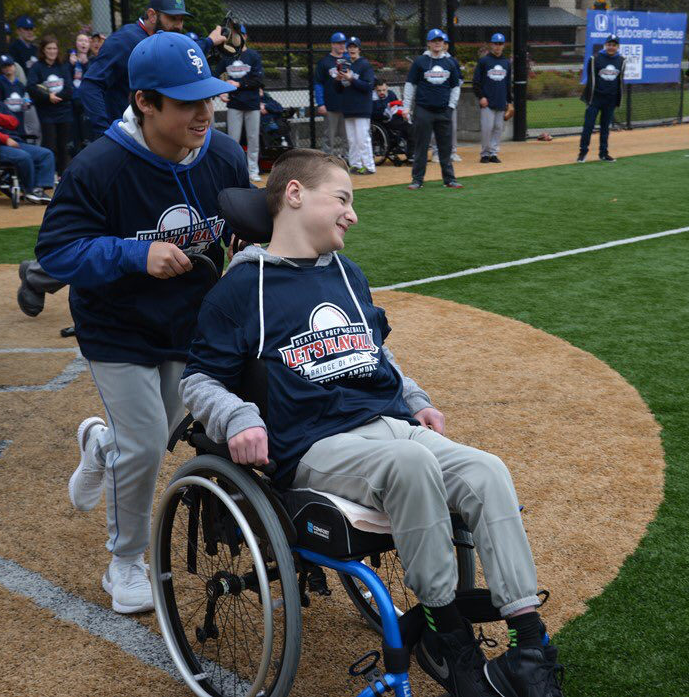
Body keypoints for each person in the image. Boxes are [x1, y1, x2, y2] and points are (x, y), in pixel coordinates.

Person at [181, 148, 565, 697]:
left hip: (388, 425)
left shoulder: (347, 273)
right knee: (409, 463)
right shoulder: (243, 289)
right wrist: (239, 416)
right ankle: (448, 640)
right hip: (316, 444)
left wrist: (415, 399)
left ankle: (529, 648)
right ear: (294, 196)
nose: (352, 214)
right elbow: (197, 381)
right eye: (342, 198)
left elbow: (373, 357)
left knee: (487, 471)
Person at [35, 32, 250, 614]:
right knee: (150, 442)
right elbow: (55, 253)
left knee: (157, 435)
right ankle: (124, 561)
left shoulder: (224, 155)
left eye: (208, 98)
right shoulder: (100, 165)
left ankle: (101, 446)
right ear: (145, 102)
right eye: (186, 102)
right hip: (117, 325)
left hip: (190, 322)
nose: (204, 112)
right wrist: (135, 255)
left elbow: (243, 225)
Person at [80, 0, 227, 136]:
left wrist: (209, 41)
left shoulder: (160, 41)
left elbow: (177, 52)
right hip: (126, 132)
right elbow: (91, 85)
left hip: (149, 132)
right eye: (172, 18)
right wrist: (103, 132)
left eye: (181, 19)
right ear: (152, 15)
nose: (178, 25)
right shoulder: (124, 40)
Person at [0, 77, 54, 204]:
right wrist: (5, 139)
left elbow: (14, 123)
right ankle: (30, 190)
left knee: (46, 154)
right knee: (23, 157)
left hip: (14, 142)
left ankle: (39, 188)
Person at [404, 29, 463, 190]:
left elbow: (455, 87)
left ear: (444, 43)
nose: (437, 43)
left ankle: (449, 179)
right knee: (421, 146)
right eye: (434, 40)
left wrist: (451, 107)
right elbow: (410, 85)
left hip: (444, 111)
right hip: (423, 110)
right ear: (428, 43)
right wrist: (406, 107)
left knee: (446, 147)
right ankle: (417, 180)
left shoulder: (450, 63)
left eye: (440, 40)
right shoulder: (420, 62)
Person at [219, 24, 264, 181]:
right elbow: (215, 73)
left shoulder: (253, 55)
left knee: (253, 139)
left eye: (242, 35)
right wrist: (220, 91)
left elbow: (258, 80)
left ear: (245, 37)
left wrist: (239, 84)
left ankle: (253, 170)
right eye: (236, 36)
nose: (239, 38)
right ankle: (234, 171)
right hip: (234, 104)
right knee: (233, 140)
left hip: (252, 103)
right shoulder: (228, 56)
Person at [27, 34, 73, 177]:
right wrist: (48, 97)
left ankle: (62, 175)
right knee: (50, 146)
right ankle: (48, 176)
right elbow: (31, 87)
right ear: (43, 50)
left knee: (63, 146)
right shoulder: (37, 67)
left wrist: (57, 97)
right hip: (46, 113)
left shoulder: (63, 66)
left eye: (54, 48)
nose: (52, 51)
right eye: (49, 48)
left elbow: (69, 89)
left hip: (63, 111)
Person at [577, 34, 625, 163]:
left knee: (605, 128)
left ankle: (603, 153)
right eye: (609, 44)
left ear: (617, 47)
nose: (611, 47)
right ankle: (582, 153)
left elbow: (620, 81)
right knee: (588, 126)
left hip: (610, 100)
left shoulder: (621, 60)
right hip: (595, 99)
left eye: (614, 45)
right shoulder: (595, 58)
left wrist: (617, 100)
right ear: (605, 45)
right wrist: (589, 99)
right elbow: (591, 79)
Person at [334, 36, 376, 175]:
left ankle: (369, 166)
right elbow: (339, 89)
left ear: (359, 49)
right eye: (350, 47)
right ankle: (356, 165)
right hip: (348, 107)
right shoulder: (345, 65)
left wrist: (351, 78)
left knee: (362, 139)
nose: (352, 49)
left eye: (354, 47)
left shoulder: (365, 65)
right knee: (352, 140)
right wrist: (338, 80)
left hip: (361, 107)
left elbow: (368, 86)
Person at [473, 32, 512, 164]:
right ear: (491, 45)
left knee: (498, 128)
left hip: (501, 101)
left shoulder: (506, 62)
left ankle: (493, 153)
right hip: (487, 101)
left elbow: (507, 83)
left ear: (504, 46)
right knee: (487, 128)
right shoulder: (484, 61)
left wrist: (509, 101)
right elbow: (476, 82)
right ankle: (484, 154)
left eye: (500, 44)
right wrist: (481, 97)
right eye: (495, 43)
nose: (497, 46)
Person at [314, 32, 348, 157]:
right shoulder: (324, 62)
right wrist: (320, 103)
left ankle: (348, 161)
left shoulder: (348, 60)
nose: (342, 46)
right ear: (332, 44)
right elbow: (318, 84)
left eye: (343, 43)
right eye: (339, 43)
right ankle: (327, 162)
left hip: (347, 104)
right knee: (329, 136)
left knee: (347, 136)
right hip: (330, 104)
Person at [372, 77, 413, 159]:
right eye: (379, 90)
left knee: (412, 127)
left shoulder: (391, 94)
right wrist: (386, 110)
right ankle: (411, 154)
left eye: (384, 90)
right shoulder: (373, 98)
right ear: (375, 89)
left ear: (387, 88)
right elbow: (373, 113)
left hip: (395, 119)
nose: (382, 92)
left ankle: (411, 153)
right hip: (382, 121)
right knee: (408, 128)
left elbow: (398, 106)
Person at [0, 54, 31, 135]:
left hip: (19, 119)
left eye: (9, 65)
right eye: (4, 66)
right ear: (1, 69)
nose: (7, 68)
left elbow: (27, 99)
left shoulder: (20, 84)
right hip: (6, 121)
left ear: (14, 66)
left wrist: (27, 103)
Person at [69, 32, 91, 152]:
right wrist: (71, 65)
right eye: (80, 40)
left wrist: (86, 64)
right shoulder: (70, 60)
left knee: (87, 136)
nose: (83, 43)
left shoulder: (92, 61)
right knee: (74, 136)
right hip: (72, 102)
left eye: (86, 41)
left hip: (86, 102)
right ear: (76, 44)